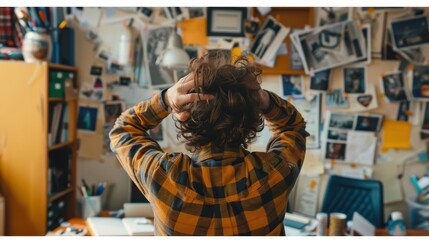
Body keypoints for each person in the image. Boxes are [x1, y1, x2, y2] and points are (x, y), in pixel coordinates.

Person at [109, 54, 309, 236]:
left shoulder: (163, 177)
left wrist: (166, 99)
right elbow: (293, 127)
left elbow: (123, 129)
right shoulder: (274, 174)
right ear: (249, 121)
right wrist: (262, 98)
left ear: (188, 121)